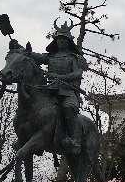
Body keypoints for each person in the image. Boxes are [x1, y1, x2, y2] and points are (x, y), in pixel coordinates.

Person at [29, 21, 87, 154]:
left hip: (67, 92)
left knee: (69, 108)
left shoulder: (73, 58)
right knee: (36, 105)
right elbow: (36, 57)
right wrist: (23, 50)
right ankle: (31, 136)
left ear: (68, 42)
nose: (61, 42)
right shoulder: (50, 57)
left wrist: (60, 77)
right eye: (59, 39)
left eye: (64, 40)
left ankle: (75, 140)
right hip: (51, 91)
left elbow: (78, 73)